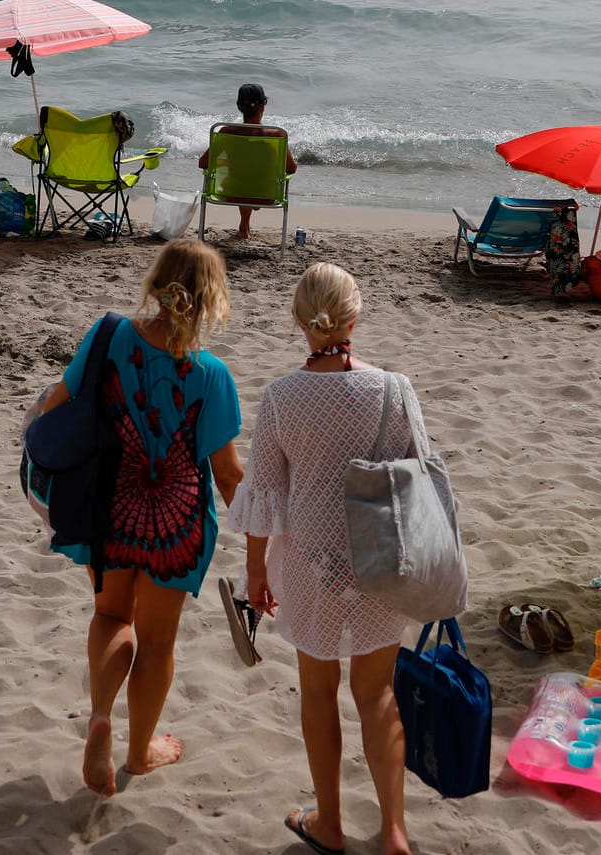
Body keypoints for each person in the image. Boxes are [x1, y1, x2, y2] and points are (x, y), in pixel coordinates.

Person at [32, 238, 244, 797]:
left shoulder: (113, 335)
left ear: (157, 280)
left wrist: (32, 426)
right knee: (157, 643)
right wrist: (268, 535)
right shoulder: (212, 373)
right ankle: (139, 752)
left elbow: (61, 398)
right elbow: (225, 474)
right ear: (210, 299)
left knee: (110, 616)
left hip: (112, 507)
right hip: (176, 520)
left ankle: (100, 717)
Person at [230, 263, 417, 855]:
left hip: (310, 561)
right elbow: (422, 476)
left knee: (318, 691)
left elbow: (261, 494)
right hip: (381, 559)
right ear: (354, 317)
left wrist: (256, 571)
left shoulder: (283, 397)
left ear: (299, 322)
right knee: (377, 694)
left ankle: (329, 823)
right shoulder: (393, 389)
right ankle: (393, 834)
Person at [197, 84, 296, 239]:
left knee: (242, 175)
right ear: (264, 104)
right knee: (254, 176)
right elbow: (291, 169)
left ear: (238, 106)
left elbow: (203, 164)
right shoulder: (277, 135)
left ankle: (244, 227)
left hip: (231, 193)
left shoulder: (226, 132)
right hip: (267, 195)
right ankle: (244, 226)